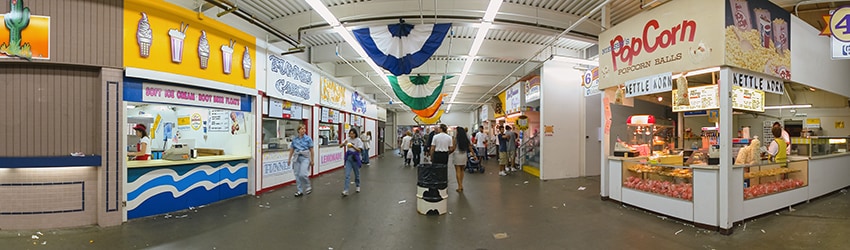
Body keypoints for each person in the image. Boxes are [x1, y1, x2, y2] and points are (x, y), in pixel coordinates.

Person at [288, 124, 314, 197]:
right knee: (297, 175)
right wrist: (289, 159)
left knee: (303, 174)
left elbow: (311, 150)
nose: (303, 130)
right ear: (298, 130)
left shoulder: (308, 139)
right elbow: (292, 149)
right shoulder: (295, 139)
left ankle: (308, 185)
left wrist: (312, 160)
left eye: (304, 129)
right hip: (296, 157)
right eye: (302, 129)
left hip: (305, 157)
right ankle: (300, 190)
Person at [452, 127, 478, 192]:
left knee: (457, 171)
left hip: (457, 155)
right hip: (464, 155)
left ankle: (459, 186)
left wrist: (448, 153)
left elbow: (453, 148)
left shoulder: (455, 139)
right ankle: (461, 185)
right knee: (462, 170)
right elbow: (470, 147)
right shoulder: (465, 139)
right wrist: (474, 155)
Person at [340, 129, 364, 196]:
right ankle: (346, 190)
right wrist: (344, 143)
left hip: (355, 158)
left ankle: (358, 185)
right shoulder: (348, 139)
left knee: (357, 174)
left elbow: (359, 150)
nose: (351, 135)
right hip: (349, 158)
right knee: (347, 175)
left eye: (352, 134)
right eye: (350, 134)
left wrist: (352, 146)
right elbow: (340, 146)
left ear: (355, 134)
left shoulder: (358, 140)